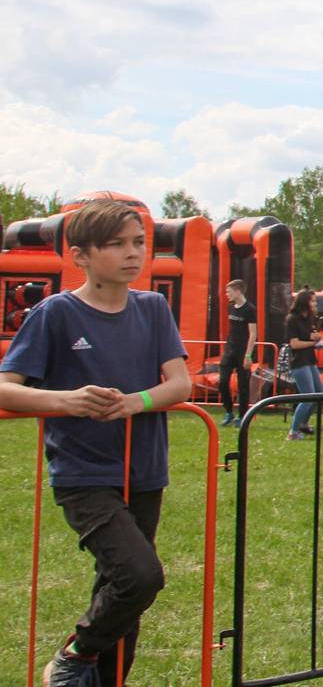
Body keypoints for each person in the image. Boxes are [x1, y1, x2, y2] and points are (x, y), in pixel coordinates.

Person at [0, 199, 190, 687]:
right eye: (116, 244)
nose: (133, 253)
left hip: (145, 469)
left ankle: (98, 677)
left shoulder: (153, 307)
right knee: (139, 575)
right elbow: (5, 386)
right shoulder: (55, 313)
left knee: (121, 589)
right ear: (81, 256)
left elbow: (180, 384)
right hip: (83, 473)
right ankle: (76, 652)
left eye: (139, 243)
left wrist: (135, 402)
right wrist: (67, 401)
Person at [283, 288, 323, 440]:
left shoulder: (310, 318)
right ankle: (293, 432)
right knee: (308, 397)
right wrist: (312, 343)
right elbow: (294, 344)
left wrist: (318, 338)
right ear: (304, 302)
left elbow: (312, 336)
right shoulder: (292, 319)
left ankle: (303, 423)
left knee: (320, 394)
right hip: (299, 362)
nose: (315, 304)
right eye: (312, 301)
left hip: (310, 360)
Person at [217, 279, 257, 427]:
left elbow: (253, 334)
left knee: (243, 386)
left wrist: (248, 355)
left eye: (229, 292)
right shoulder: (231, 307)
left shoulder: (250, 309)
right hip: (230, 350)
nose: (226, 294)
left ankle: (242, 416)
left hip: (243, 351)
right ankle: (229, 412)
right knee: (222, 382)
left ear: (238, 291)